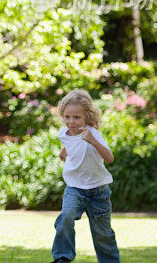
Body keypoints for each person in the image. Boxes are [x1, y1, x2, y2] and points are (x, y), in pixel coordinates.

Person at [51, 89, 121, 263]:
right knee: (66, 217)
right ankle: (62, 257)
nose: (71, 122)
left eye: (76, 117)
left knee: (103, 234)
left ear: (87, 117)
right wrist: (63, 152)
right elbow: (71, 142)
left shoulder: (92, 133)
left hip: (99, 191)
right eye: (67, 117)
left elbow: (110, 158)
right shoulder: (63, 133)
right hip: (75, 188)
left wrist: (93, 141)